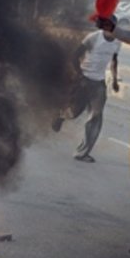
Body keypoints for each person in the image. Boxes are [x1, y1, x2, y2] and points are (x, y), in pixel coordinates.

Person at [52, 28, 121, 163]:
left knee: (96, 116)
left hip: (99, 83)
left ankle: (82, 152)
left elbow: (114, 61)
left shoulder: (117, 42)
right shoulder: (94, 37)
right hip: (84, 80)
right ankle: (61, 115)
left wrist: (115, 80)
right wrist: (79, 74)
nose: (111, 31)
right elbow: (75, 55)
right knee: (74, 113)